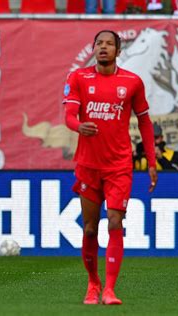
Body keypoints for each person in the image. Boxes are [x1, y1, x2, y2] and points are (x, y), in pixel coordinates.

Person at [63, 30, 158, 305]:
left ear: (118, 50)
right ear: (93, 49)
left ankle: (110, 290)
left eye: (108, 44)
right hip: (88, 165)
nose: (102, 48)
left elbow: (145, 122)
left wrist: (151, 161)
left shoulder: (132, 82)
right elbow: (69, 116)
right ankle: (93, 283)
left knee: (115, 222)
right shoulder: (79, 78)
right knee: (90, 229)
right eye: (98, 44)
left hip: (119, 166)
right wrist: (78, 126)